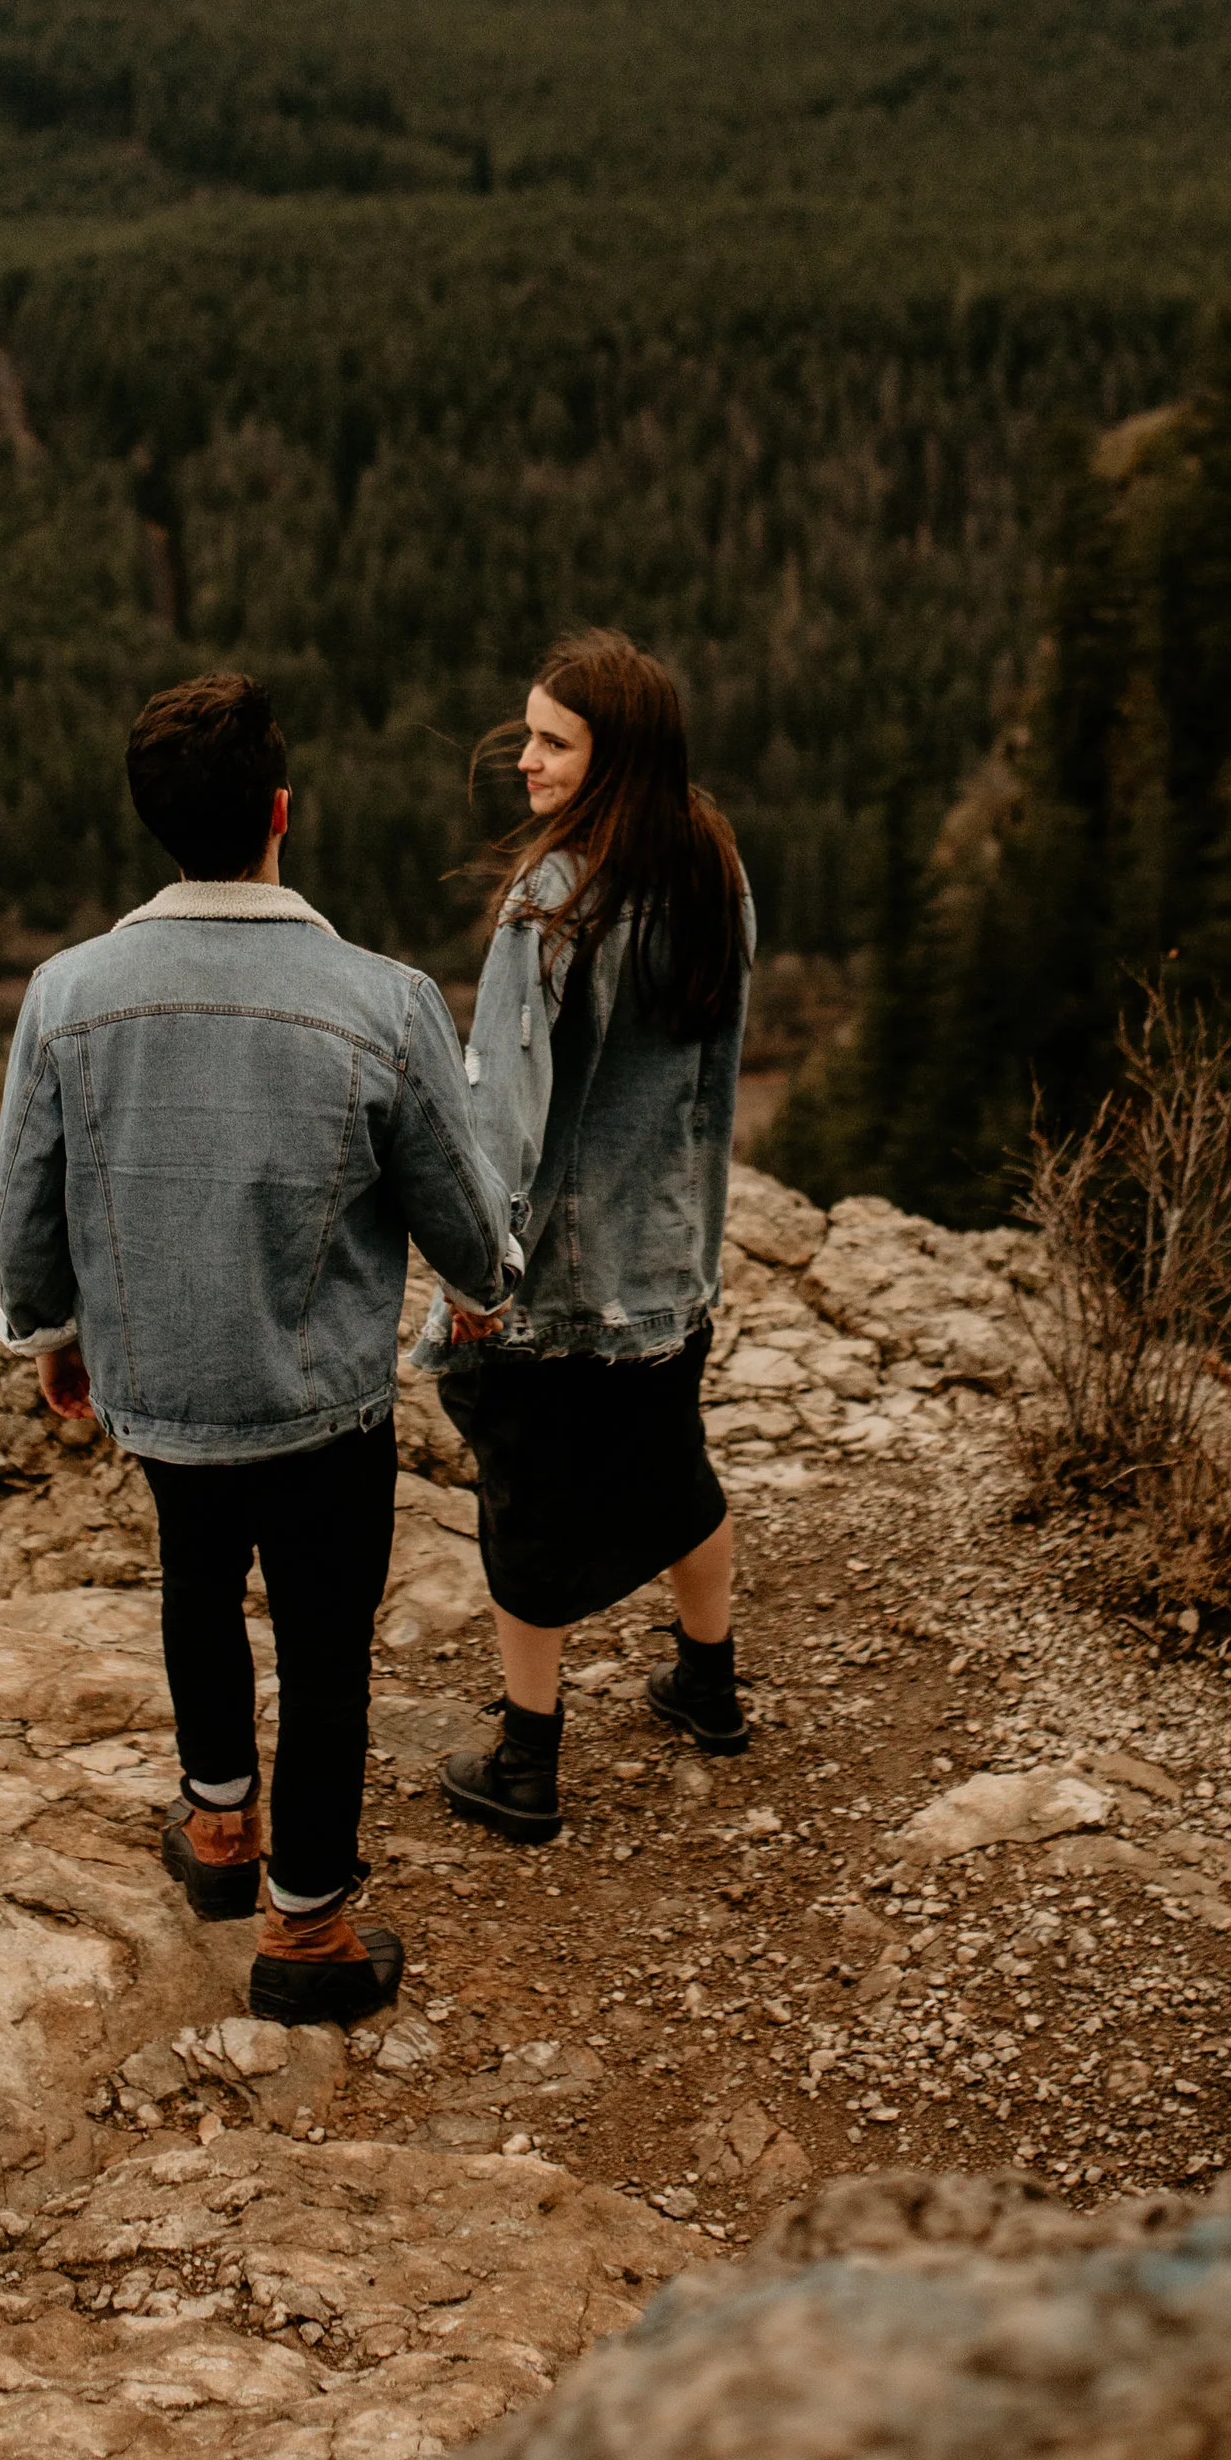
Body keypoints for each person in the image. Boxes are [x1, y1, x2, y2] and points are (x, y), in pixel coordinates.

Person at [0, 672, 517, 2023]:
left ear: (154, 825)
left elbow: (28, 1190)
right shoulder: (382, 999)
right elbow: (454, 1199)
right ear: (283, 811)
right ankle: (307, 1932)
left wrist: (53, 1331)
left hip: (164, 1386)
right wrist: (481, 1287)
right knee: (326, 1645)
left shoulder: (67, 993)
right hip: (322, 1400)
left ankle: (219, 1828)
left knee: (195, 1583)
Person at [423, 628, 755, 1845]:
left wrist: (476, 1270)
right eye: (527, 734)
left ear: (615, 760)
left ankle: (525, 1764)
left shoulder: (550, 903)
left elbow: (500, 1115)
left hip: (559, 1279)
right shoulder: (715, 873)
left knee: (526, 1509)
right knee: (675, 1469)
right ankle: (708, 1688)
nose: (527, 760)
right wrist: (696, 1231)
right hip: (668, 1261)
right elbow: (715, 1081)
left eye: (556, 742)